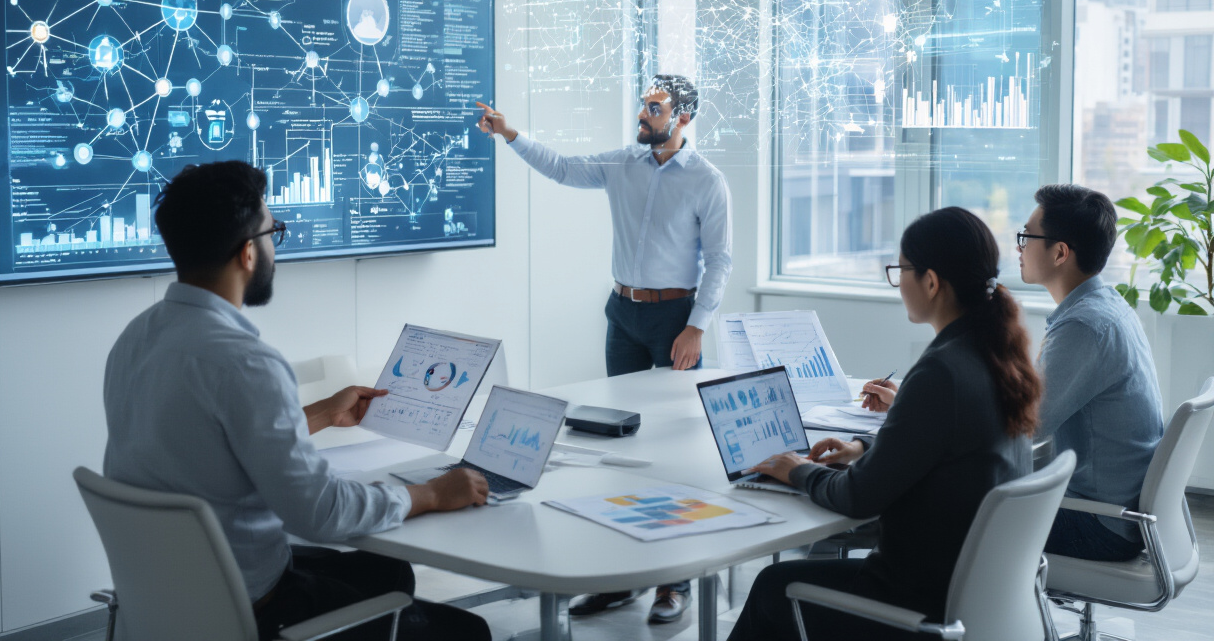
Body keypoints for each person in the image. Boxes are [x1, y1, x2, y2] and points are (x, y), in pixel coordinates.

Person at [102, 161, 491, 641]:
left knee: (389, 574)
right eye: (273, 232)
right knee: (467, 632)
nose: (273, 246)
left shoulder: (136, 338)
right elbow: (320, 512)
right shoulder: (245, 362)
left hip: (171, 596)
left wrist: (323, 413)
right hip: (251, 609)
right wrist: (431, 494)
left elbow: (204, 446)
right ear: (248, 253)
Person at [476, 74, 732, 623]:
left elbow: (721, 261)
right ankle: (624, 579)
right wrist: (510, 134)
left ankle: (675, 582)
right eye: (643, 105)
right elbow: (564, 169)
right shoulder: (622, 164)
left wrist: (697, 326)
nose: (644, 115)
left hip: (674, 320)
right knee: (624, 444)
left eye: (655, 108)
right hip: (623, 315)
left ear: (683, 117)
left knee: (673, 453)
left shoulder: (707, 181)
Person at [728, 207, 1042, 641]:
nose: (898, 284)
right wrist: (864, 448)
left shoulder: (942, 372)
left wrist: (796, 470)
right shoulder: (996, 354)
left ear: (931, 282)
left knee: (771, 586)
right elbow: (945, 448)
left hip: (918, 599)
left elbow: (858, 497)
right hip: (976, 591)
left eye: (901, 271)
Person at [1019, 184, 1164, 561]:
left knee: (951, 508)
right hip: (1121, 512)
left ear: (1060, 252)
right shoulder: (1105, 304)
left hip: (1100, 524)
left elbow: (1023, 424)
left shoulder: (1085, 327)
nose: (1019, 247)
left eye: (1026, 236)